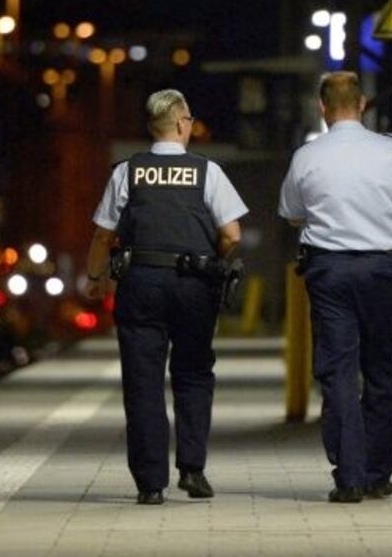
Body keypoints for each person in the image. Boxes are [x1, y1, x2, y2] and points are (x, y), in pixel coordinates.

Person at [277, 71, 392, 503]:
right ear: (363, 104)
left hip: (328, 272)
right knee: (382, 370)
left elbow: (292, 214)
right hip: (384, 270)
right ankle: (378, 474)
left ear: (323, 108)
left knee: (339, 373)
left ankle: (348, 477)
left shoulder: (307, 157)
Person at [84, 89, 248, 505]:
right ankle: (192, 470)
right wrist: (212, 259)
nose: (191, 126)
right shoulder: (207, 171)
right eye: (190, 119)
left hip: (140, 284)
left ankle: (150, 483)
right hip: (194, 286)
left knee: (142, 383)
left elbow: (104, 234)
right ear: (179, 123)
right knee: (193, 375)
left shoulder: (128, 171)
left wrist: (95, 277)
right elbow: (232, 234)